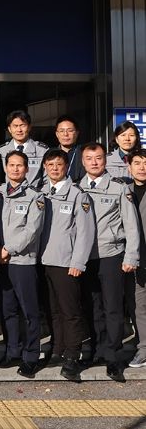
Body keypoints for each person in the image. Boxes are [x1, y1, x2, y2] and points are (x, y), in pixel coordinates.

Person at [79, 142, 139, 381]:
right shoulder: (77, 188)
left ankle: (113, 356)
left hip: (111, 254)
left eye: (98, 158)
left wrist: (131, 255)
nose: (94, 162)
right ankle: (97, 349)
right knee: (93, 306)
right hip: (85, 257)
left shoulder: (119, 188)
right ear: (83, 161)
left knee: (112, 307)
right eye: (89, 158)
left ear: (105, 160)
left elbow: (131, 225)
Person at [39, 149, 95, 381]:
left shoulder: (78, 195)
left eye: (59, 164)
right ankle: (58, 348)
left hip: (66, 262)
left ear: (66, 167)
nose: (54, 168)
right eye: (50, 164)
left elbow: (85, 232)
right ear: (44, 167)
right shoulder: (40, 192)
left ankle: (73, 354)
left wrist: (78, 261)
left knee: (70, 311)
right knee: (52, 310)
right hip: (43, 261)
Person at [0, 151, 45, 378]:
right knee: (8, 309)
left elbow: (32, 230)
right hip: (1, 260)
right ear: (5, 168)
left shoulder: (35, 196)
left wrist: (8, 249)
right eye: (11, 165)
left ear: (26, 169)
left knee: (29, 311)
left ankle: (31, 356)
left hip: (22, 260)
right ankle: (12, 351)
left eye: (20, 165)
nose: (15, 169)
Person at [127, 149, 146, 369]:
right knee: (139, 306)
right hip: (135, 258)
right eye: (137, 163)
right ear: (129, 167)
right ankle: (144, 349)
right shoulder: (124, 191)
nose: (142, 167)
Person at [0, 110, 49, 187]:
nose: (19, 130)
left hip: (35, 193)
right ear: (9, 129)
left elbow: (48, 179)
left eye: (22, 125)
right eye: (15, 126)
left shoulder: (42, 151)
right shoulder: (1, 151)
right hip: (9, 193)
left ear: (29, 127)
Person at [54, 115, 86, 183]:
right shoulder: (50, 155)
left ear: (77, 133)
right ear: (57, 134)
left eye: (70, 131)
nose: (65, 134)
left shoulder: (85, 153)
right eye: (61, 131)